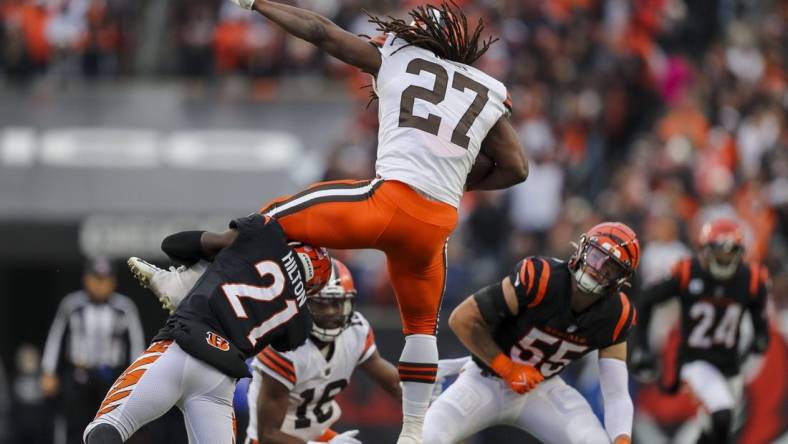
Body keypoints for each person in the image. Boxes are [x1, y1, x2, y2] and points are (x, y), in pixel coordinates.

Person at [220, 2, 528, 441]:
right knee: (421, 329)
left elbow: (320, 31)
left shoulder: (398, 55)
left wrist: (257, 3)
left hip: (387, 202)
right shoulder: (486, 87)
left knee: (270, 216)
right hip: (436, 222)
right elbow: (517, 168)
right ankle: (415, 431)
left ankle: (197, 278)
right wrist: (455, 182)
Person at [83, 214, 332, 443]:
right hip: (220, 379)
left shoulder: (263, 233)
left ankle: (182, 284)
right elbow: (284, 333)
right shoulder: (300, 323)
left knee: (107, 427)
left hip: (180, 347)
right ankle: (184, 288)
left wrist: (222, 258)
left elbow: (173, 245)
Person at [422, 222, 640, 444]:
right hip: (486, 379)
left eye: (609, 268)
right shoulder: (542, 279)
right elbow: (462, 319)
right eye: (596, 256)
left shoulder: (616, 314)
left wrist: (622, 440)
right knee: (426, 437)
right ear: (582, 249)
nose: (597, 268)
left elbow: (616, 394)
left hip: (541, 389)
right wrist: (508, 368)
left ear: (621, 279)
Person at [630, 218, 771, 444]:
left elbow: (758, 317)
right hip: (695, 361)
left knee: (716, 428)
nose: (724, 258)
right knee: (722, 414)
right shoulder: (688, 272)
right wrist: (640, 346)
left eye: (730, 252)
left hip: (729, 366)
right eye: (719, 251)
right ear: (705, 250)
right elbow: (646, 300)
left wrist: (761, 336)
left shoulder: (750, 280)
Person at [40, 257, 144, 444]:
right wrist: (49, 372)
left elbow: (136, 345)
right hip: (80, 374)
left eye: (105, 279)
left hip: (112, 378)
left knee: (112, 426)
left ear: (113, 282)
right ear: (86, 279)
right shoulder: (72, 305)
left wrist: (137, 380)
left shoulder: (124, 308)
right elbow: (56, 339)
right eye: (96, 279)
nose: (100, 285)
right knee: (73, 425)